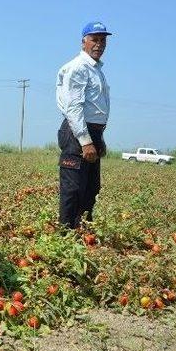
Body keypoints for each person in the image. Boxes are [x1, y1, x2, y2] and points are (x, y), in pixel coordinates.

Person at [55, 21, 112, 229]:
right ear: (83, 42)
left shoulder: (96, 70)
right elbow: (73, 108)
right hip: (77, 132)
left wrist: (99, 139)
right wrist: (86, 141)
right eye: (94, 40)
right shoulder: (78, 68)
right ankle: (66, 233)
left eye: (103, 40)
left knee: (91, 187)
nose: (99, 44)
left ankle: (83, 231)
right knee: (73, 187)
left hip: (93, 133)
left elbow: (95, 108)